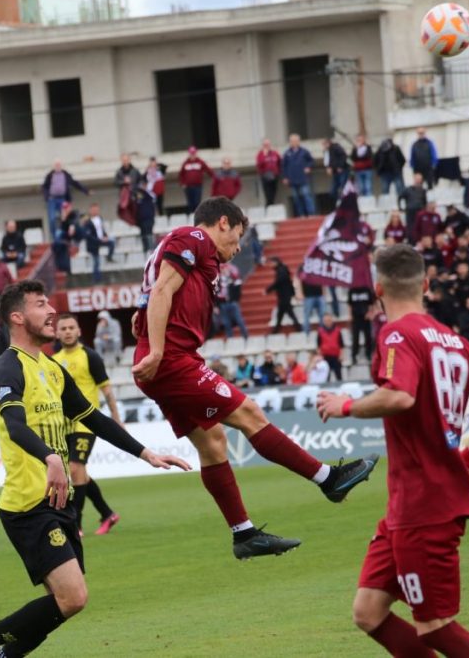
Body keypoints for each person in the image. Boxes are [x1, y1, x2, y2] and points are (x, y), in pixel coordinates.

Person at [131, 197, 379, 559]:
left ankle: (244, 534)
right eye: (238, 235)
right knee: (249, 413)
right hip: (169, 359)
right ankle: (329, 479)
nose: (238, 246)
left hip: (166, 359)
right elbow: (162, 290)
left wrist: (145, 333)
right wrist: (155, 351)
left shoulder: (192, 254)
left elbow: (148, 301)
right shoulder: (195, 238)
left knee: (213, 443)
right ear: (223, 223)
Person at [0, 281, 189, 658]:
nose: (51, 310)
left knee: (63, 603)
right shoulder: (7, 368)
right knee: (73, 597)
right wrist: (51, 457)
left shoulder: (50, 368)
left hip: (59, 500)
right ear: (18, 317)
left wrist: (145, 452)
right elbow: (15, 425)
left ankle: (0, 655)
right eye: (40, 304)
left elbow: (92, 418)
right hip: (28, 505)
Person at [316, 243, 469, 658]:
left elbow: (400, 396)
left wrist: (346, 406)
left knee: (435, 627)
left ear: (377, 289)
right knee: (368, 611)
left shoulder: (396, 334)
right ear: (426, 284)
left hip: (423, 506)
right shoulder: (451, 339)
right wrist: (467, 459)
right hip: (409, 504)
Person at [53, 314, 123, 536]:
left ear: (79, 331)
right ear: (57, 333)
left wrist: (116, 418)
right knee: (80, 473)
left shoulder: (90, 356)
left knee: (75, 469)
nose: (67, 331)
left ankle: (76, 523)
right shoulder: (53, 360)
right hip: (64, 425)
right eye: (63, 328)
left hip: (86, 423)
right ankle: (107, 513)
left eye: (71, 327)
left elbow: (107, 389)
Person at [41, 161, 90, 240]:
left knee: (66, 218)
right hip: (52, 199)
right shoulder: (50, 175)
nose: (57, 166)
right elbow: (44, 187)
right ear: (53, 167)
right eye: (56, 165)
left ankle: (67, 236)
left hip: (62, 199)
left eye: (59, 165)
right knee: (52, 219)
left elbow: (75, 183)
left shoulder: (66, 175)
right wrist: (46, 197)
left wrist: (85, 191)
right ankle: (55, 237)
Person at [81, 203, 116, 283]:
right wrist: (100, 240)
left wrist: (105, 236)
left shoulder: (100, 218)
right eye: (94, 210)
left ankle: (109, 257)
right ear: (90, 210)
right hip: (93, 243)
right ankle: (96, 279)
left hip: (101, 240)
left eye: (97, 209)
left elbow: (101, 230)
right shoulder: (87, 221)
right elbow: (88, 236)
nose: (96, 211)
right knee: (96, 262)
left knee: (112, 242)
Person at [282, 134, 316, 217]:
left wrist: (308, 167)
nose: (293, 142)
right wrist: (285, 177)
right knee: (296, 199)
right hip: (292, 180)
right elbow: (283, 166)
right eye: (291, 141)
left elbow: (311, 161)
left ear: (298, 141)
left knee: (306, 196)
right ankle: (301, 214)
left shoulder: (304, 151)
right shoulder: (287, 153)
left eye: (295, 141)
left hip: (303, 179)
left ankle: (311, 213)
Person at [266, 257, 300, 333]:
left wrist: (268, 290)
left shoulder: (281, 270)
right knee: (283, 314)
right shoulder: (281, 270)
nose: (270, 265)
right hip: (284, 295)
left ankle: (298, 328)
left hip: (285, 296)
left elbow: (279, 282)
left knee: (286, 313)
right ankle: (277, 330)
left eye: (271, 263)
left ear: (276, 262)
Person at [178, 146, 213, 213]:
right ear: (189, 154)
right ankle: (191, 214)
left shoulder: (200, 162)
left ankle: (197, 214)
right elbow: (181, 174)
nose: (192, 155)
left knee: (197, 202)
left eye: (194, 153)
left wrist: (214, 177)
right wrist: (182, 183)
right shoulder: (185, 163)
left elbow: (208, 170)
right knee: (190, 202)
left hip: (197, 186)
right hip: (188, 186)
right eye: (191, 153)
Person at [217, 262, 248, 338]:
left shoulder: (233, 278)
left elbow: (238, 289)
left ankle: (245, 337)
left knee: (239, 320)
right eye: (222, 269)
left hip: (232, 302)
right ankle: (230, 339)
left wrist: (235, 299)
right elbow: (216, 293)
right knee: (226, 323)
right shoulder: (218, 281)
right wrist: (217, 305)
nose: (223, 270)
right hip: (223, 303)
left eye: (224, 269)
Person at [348, 285, 374, 365]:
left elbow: (371, 303)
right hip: (356, 317)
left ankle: (368, 354)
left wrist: (369, 313)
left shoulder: (367, 289)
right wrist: (350, 315)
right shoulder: (352, 290)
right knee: (355, 337)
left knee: (368, 336)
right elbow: (349, 304)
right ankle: (354, 356)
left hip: (366, 317)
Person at [398, 172, 427, 241]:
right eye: (417, 178)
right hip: (410, 211)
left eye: (419, 179)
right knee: (410, 227)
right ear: (414, 179)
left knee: (420, 226)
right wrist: (400, 208)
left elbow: (425, 201)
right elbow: (400, 197)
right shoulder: (408, 189)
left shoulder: (423, 190)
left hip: (420, 211)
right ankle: (410, 240)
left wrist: (424, 209)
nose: (418, 180)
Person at [316, 313, 345, 381]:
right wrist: (320, 356)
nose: (327, 322)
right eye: (325, 320)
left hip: (336, 356)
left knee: (339, 376)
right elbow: (318, 345)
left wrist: (341, 355)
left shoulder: (338, 330)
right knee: (326, 377)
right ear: (323, 321)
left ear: (331, 320)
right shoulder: (320, 331)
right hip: (325, 357)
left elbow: (341, 344)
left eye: (329, 320)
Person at [256, 138, 282, 206]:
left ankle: (272, 205)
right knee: (268, 194)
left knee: (274, 192)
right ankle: (269, 205)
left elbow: (280, 162)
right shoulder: (260, 154)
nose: (267, 146)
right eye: (265, 145)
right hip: (265, 176)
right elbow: (259, 165)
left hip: (274, 176)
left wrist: (278, 171)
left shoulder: (274, 153)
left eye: (268, 144)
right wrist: (264, 155)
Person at [323, 137, 349, 202]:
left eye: (324, 144)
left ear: (328, 143)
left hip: (342, 170)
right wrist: (329, 167)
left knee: (342, 187)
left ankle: (343, 201)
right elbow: (329, 161)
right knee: (334, 190)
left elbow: (343, 156)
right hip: (335, 172)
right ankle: (339, 200)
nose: (323, 146)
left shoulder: (336, 147)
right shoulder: (327, 151)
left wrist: (340, 166)